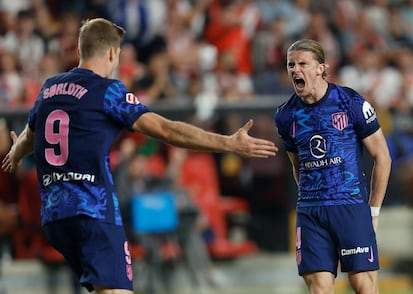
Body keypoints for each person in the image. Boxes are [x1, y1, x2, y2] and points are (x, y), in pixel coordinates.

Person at [1, 18, 277, 294]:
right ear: (112, 53)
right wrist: (228, 143)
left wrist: (15, 153)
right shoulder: (108, 91)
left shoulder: (49, 88)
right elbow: (166, 130)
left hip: (54, 216)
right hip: (93, 212)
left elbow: (29, 138)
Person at [274, 39, 391, 294]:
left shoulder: (350, 103)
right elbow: (298, 166)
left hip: (350, 205)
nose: (295, 70)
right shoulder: (285, 116)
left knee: (363, 286)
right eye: (290, 64)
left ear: (321, 68)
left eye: (302, 63)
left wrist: (372, 211)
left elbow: (383, 157)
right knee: (320, 289)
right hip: (312, 212)